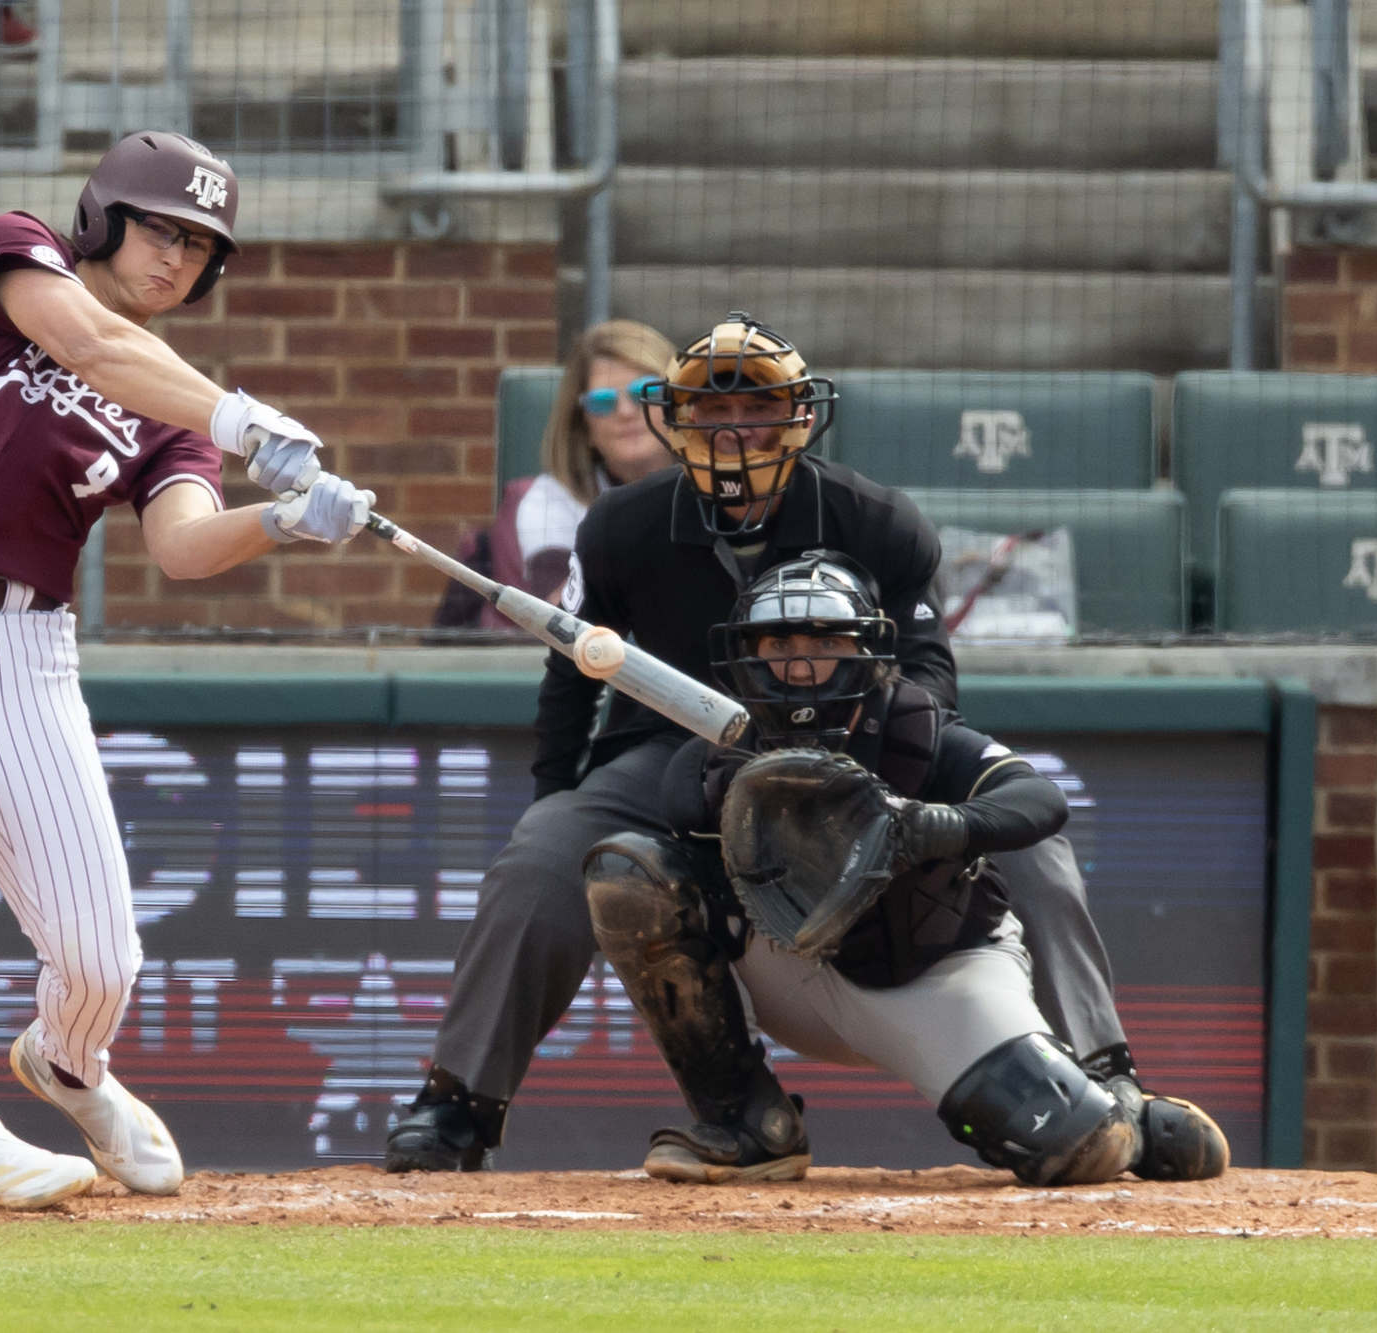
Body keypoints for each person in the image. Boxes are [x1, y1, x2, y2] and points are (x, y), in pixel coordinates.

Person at [386, 311, 1135, 1172]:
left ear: (800, 418)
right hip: (669, 748)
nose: (734, 431)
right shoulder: (622, 526)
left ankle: (1109, 1074)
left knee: (1035, 847)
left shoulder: (878, 519)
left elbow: (929, 673)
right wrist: (556, 793)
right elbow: (572, 676)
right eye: (709, 413)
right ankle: (458, 1103)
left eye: (759, 411)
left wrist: (884, 771)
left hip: (856, 745)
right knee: (540, 854)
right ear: (675, 419)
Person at [0, 131, 373, 1210]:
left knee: (101, 952)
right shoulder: (11, 256)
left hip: (23, 646)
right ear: (106, 215)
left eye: (201, 245)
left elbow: (183, 544)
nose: (176, 258)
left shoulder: (172, 413)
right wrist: (239, 416)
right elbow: (93, 345)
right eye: (160, 227)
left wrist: (286, 520)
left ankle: (67, 1060)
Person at [584, 553, 1228, 1186]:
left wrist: (931, 826)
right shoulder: (713, 762)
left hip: (935, 973)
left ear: (866, 652)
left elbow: (1040, 799)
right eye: (779, 642)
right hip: (796, 973)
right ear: (747, 655)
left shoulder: (915, 728)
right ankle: (747, 1124)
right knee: (630, 873)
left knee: (1077, 1147)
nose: (801, 662)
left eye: (825, 641)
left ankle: (1127, 1116)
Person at [435, 320, 675, 627]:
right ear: (584, 426)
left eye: (643, 392)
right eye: (603, 402)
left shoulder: (718, 489)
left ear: (677, 401)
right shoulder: (546, 502)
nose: (626, 412)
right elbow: (563, 624)